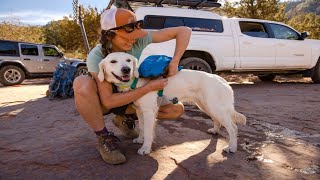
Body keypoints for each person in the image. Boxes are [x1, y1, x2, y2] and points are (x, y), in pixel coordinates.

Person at [73, 8, 191, 165]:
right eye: (127, 38)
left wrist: (175, 61)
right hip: (105, 100)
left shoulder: (138, 39)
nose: (133, 41)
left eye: (135, 36)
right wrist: (149, 88)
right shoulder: (97, 56)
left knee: (176, 109)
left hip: (130, 92)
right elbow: (108, 101)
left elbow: (184, 30)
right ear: (110, 35)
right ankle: (104, 136)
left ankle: (124, 117)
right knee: (82, 83)